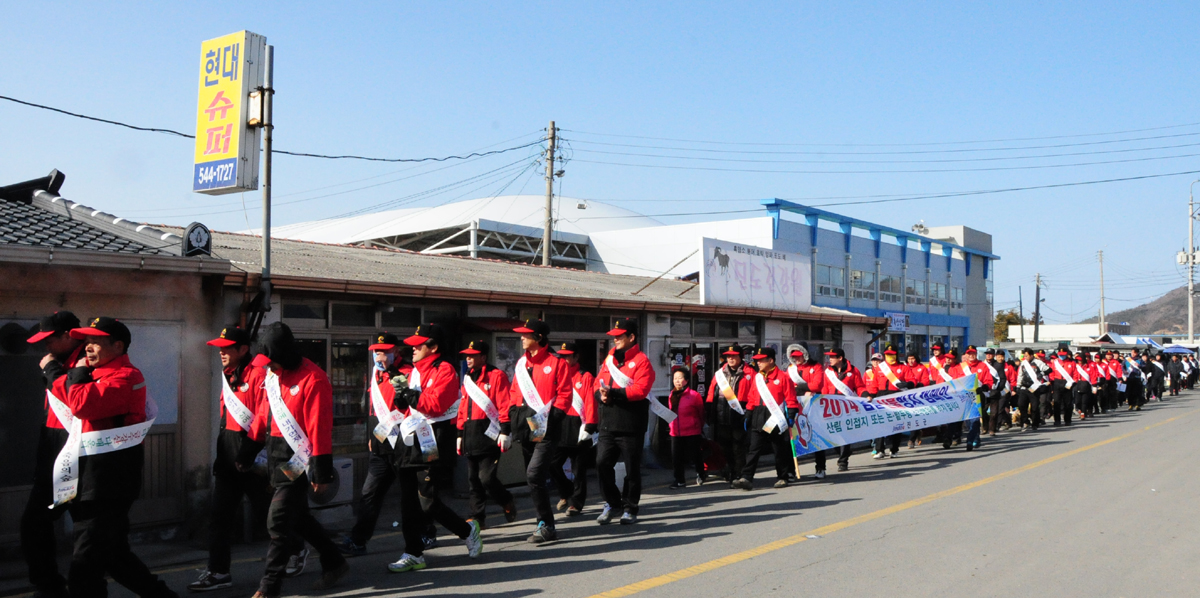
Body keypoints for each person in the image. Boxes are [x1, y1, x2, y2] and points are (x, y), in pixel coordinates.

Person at [52, 317, 177, 598]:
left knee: (84, 565)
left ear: (118, 346)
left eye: (96, 341)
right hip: (89, 480)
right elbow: (62, 392)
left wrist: (75, 374)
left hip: (109, 483)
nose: (88, 347)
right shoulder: (91, 374)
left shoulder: (126, 377)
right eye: (86, 341)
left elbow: (81, 404)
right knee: (114, 556)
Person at [234, 323, 347, 597]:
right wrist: (247, 452)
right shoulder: (272, 376)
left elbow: (319, 427)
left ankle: (269, 587)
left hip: (299, 458)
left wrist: (321, 473)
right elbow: (262, 416)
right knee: (300, 520)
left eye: (271, 360)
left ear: (283, 354)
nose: (268, 366)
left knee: (278, 521)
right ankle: (335, 561)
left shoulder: (313, 378)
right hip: (274, 455)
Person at [386, 323, 481, 571]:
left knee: (427, 501)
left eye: (419, 345)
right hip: (411, 437)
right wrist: (400, 396)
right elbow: (408, 407)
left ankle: (466, 529)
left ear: (433, 347)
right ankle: (413, 552)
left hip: (433, 439)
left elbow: (435, 405)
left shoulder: (445, 369)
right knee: (408, 500)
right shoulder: (415, 371)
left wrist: (409, 393)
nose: (413, 349)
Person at [189, 326, 271, 592]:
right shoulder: (228, 375)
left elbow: (262, 418)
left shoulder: (258, 375)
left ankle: (297, 549)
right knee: (219, 517)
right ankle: (218, 571)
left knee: (269, 515)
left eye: (227, 348)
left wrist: (247, 454)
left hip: (253, 459)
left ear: (243, 349)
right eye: (219, 348)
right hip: (227, 460)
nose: (221, 352)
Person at [22, 311, 84, 598]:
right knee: (34, 523)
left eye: (49, 339)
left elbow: (75, 398)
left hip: (79, 454)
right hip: (52, 449)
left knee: (91, 534)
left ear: (68, 336)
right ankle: (48, 584)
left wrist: (50, 370)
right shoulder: (58, 362)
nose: (44, 346)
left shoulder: (85, 362)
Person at [506, 320, 572, 543]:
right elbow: (514, 391)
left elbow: (564, 395)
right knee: (533, 477)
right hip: (525, 427)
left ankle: (547, 524)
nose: (521, 338)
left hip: (545, 427)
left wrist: (552, 419)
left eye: (526, 335)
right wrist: (514, 414)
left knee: (534, 474)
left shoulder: (556, 363)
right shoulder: (521, 363)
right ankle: (542, 522)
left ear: (539, 337)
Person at [340, 333, 404, 557]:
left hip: (402, 443)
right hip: (380, 443)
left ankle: (426, 533)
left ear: (395, 352)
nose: (379, 356)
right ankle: (358, 540)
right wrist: (372, 435)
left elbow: (407, 409)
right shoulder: (376, 376)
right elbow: (373, 410)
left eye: (384, 351)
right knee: (369, 493)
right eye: (377, 351)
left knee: (413, 495)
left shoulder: (406, 374)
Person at [594, 318, 656, 524]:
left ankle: (630, 507)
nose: (615, 340)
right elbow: (597, 383)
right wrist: (600, 395)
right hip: (608, 422)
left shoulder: (641, 361)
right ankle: (612, 502)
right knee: (602, 463)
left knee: (632, 468)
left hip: (631, 424)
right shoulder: (609, 359)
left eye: (620, 336)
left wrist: (613, 393)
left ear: (631, 337)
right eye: (614, 337)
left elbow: (640, 390)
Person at [456, 340, 518, 528]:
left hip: (490, 435)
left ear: (483, 357)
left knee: (487, 478)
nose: (468, 358)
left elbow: (504, 404)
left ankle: (506, 500)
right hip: (470, 434)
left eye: (472, 355)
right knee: (473, 480)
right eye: (467, 355)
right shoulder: (467, 377)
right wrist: (459, 433)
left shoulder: (496, 376)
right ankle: (477, 517)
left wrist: (505, 430)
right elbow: (462, 408)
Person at [733, 347, 798, 490]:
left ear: (771, 360)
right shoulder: (758, 378)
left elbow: (791, 399)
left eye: (761, 360)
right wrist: (748, 414)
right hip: (759, 415)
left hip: (775, 417)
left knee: (778, 449)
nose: (758, 363)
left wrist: (791, 417)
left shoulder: (783, 377)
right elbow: (752, 397)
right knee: (753, 449)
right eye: (756, 360)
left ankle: (783, 477)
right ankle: (746, 477)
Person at [552, 342, 598, 514]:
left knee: (579, 469)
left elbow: (590, 403)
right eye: (561, 356)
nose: (563, 359)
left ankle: (576, 503)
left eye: (567, 356)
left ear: (576, 357)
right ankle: (566, 491)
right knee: (552, 463)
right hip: (560, 424)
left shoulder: (585, 376)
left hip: (579, 426)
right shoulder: (557, 376)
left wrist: (590, 426)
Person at [708, 344, 754, 484]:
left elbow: (754, 394)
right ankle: (729, 471)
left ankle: (738, 474)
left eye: (734, 356)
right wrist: (709, 411)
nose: (731, 359)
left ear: (741, 357)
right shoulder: (719, 374)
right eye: (728, 356)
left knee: (738, 448)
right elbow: (711, 393)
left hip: (739, 416)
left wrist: (749, 413)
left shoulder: (750, 374)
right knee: (724, 447)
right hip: (721, 417)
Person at [785, 345, 832, 476]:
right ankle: (790, 470)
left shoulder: (816, 366)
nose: (797, 358)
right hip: (794, 405)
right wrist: (804, 389)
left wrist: (799, 388)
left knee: (816, 436)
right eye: (794, 356)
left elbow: (817, 385)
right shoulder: (790, 369)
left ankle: (820, 468)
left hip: (812, 406)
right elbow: (787, 385)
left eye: (799, 355)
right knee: (792, 437)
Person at [818, 348, 864, 468]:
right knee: (832, 433)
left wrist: (865, 395)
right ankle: (844, 452)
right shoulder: (827, 372)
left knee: (845, 433)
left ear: (840, 358)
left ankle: (843, 461)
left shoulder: (853, 371)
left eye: (833, 357)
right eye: (829, 357)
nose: (830, 359)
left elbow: (859, 387)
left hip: (846, 406)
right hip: (830, 406)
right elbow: (824, 389)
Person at [944, 347, 993, 450]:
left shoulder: (982, 366)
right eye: (969, 353)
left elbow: (988, 381)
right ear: (966, 355)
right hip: (962, 397)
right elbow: (953, 382)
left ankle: (971, 440)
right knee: (958, 419)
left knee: (974, 419)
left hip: (977, 396)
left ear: (976, 354)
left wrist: (984, 387)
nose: (971, 355)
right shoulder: (959, 367)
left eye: (973, 353)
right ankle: (950, 439)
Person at [667, 365, 706, 489]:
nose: (677, 381)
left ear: (686, 380)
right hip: (675, 432)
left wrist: (699, 426)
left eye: (680, 378)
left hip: (691, 431)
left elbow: (701, 413)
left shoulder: (694, 395)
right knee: (676, 458)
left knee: (695, 455)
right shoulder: (671, 395)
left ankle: (701, 473)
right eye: (675, 378)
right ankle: (679, 480)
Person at [866, 344, 908, 457]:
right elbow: (874, 383)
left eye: (892, 355)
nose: (890, 357)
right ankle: (880, 450)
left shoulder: (903, 367)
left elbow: (911, 379)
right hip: (881, 396)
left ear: (896, 355)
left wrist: (909, 383)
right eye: (888, 355)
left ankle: (894, 449)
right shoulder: (880, 368)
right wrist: (871, 395)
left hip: (897, 396)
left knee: (896, 423)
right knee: (881, 423)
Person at [903, 352, 931, 446]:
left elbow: (926, 380)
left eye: (912, 358)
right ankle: (916, 433)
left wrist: (920, 384)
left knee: (915, 416)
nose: (911, 361)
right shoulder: (904, 367)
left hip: (918, 396)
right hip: (905, 396)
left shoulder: (921, 368)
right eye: (909, 359)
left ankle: (912, 439)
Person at [1016, 349, 1047, 430]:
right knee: (1021, 405)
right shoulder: (1023, 363)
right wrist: (1018, 386)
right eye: (1024, 356)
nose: (1025, 357)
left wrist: (1041, 374)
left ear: (1031, 355)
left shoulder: (1038, 362)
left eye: (1026, 356)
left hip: (1034, 387)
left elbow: (1048, 369)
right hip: (1024, 387)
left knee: (1035, 407)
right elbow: (1020, 374)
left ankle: (1035, 423)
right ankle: (1025, 422)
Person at [981, 349, 1007, 436]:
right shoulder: (982, 365)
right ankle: (985, 427)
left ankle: (992, 429)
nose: (988, 356)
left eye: (990, 354)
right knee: (983, 411)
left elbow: (1003, 379)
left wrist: (998, 389)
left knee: (994, 412)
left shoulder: (998, 365)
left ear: (993, 355)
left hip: (994, 391)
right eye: (987, 354)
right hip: (984, 391)